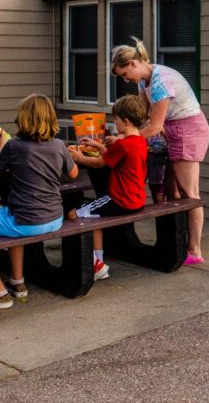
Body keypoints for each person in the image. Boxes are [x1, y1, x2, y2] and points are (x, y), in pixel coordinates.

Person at [0, 94, 78, 312]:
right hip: (54, 218)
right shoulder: (59, 145)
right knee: (13, 223)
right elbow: (73, 172)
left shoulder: (14, 146)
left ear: (23, 119)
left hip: (27, 220)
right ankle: (17, 282)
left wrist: (1, 145)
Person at [111, 37, 209, 265]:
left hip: (187, 130)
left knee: (190, 194)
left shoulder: (160, 82)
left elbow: (154, 126)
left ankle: (194, 251)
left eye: (125, 74)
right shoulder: (144, 82)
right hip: (172, 131)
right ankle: (175, 244)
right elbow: (142, 117)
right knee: (171, 191)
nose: (126, 80)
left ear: (133, 64)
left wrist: (123, 138)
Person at [68, 94, 149, 280]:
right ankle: (98, 262)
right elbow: (115, 156)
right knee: (93, 216)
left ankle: (96, 264)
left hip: (120, 199)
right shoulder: (139, 142)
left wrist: (79, 158)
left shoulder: (124, 145)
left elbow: (98, 163)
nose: (115, 122)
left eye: (117, 119)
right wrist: (98, 145)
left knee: (74, 215)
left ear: (126, 121)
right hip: (136, 200)